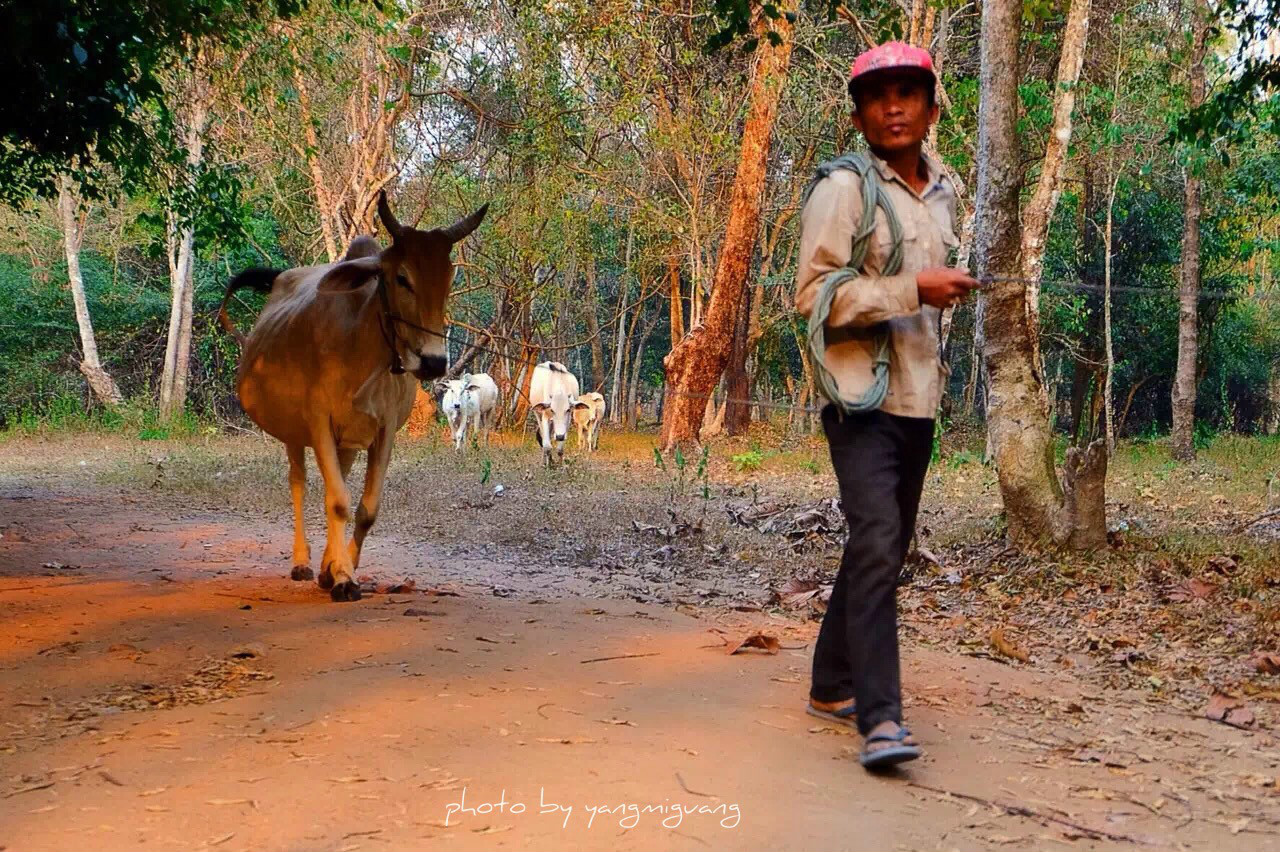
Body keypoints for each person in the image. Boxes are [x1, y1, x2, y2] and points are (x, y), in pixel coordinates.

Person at [794, 41, 978, 770]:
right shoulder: (842, 189)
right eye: (876, 96)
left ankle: (831, 683)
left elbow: (931, 281)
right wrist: (914, 290)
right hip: (860, 398)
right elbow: (813, 300)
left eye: (908, 92)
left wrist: (947, 287)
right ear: (859, 114)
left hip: (918, 399)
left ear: (934, 107)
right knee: (876, 543)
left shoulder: (946, 189)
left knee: (885, 545)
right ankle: (882, 720)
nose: (892, 106)